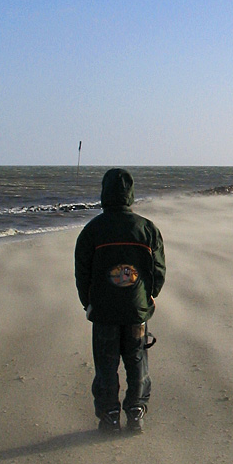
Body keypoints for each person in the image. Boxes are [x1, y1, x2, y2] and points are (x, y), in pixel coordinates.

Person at [74, 168, 166, 433]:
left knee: (106, 364)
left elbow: (82, 273)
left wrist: (87, 303)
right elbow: (157, 270)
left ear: (104, 193)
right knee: (137, 361)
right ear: (131, 194)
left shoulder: (92, 230)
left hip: (104, 311)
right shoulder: (146, 228)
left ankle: (110, 416)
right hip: (136, 310)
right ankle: (136, 412)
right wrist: (150, 296)